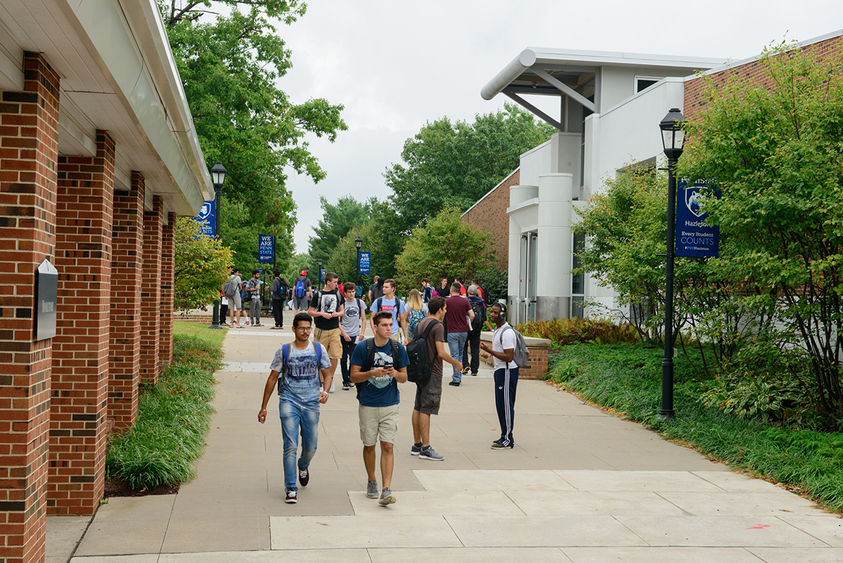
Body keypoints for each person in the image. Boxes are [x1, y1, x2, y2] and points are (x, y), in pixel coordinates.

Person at [258, 313, 332, 504]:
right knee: (290, 445)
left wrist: (325, 391)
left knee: (311, 446)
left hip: (312, 403)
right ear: (294, 329)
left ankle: (303, 465)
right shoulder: (284, 351)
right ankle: (291, 487)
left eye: (308, 328)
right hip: (289, 401)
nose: (305, 331)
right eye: (301, 328)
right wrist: (264, 407)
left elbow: (327, 373)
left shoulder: (318, 349)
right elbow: (272, 378)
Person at [350, 311, 409, 506]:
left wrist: (394, 374)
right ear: (374, 327)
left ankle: (386, 488)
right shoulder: (362, 348)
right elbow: (353, 376)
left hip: (390, 403)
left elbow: (404, 377)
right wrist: (371, 373)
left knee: (388, 445)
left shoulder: (398, 348)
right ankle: (371, 480)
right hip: (368, 404)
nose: (389, 328)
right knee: (369, 445)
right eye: (384, 325)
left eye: (390, 325)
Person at [410, 297, 461, 461]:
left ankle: (416, 444)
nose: (446, 311)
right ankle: (426, 447)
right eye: (445, 308)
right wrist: (456, 363)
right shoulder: (438, 326)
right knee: (427, 409)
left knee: (418, 406)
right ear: (440, 309)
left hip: (421, 370)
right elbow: (441, 352)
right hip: (433, 371)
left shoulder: (421, 323)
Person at [479, 303, 518, 449]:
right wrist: (489, 354)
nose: (492, 315)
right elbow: (501, 353)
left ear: (502, 314)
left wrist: (490, 350)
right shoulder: (498, 330)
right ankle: (504, 435)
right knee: (500, 405)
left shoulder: (507, 333)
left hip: (507, 372)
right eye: (491, 312)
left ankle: (507, 438)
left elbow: (509, 357)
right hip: (500, 371)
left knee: (506, 405)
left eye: (495, 313)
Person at [308, 272, 345, 393]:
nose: (336, 284)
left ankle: (330, 378)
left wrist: (337, 314)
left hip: (334, 328)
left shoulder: (338, 294)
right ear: (328, 282)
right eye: (334, 282)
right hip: (321, 329)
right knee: (319, 356)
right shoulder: (318, 294)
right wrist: (321, 314)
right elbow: (310, 311)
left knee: (335, 355)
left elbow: (342, 311)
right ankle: (321, 379)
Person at [444, 282, 474, 386]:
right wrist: (468, 322)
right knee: (460, 354)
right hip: (463, 331)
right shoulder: (465, 301)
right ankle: (459, 376)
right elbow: (472, 315)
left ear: (451, 290)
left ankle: (456, 378)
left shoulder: (447, 301)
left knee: (454, 355)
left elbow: (442, 313)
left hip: (452, 331)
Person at [339, 282, 367, 391]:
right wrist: (344, 333)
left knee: (353, 358)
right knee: (343, 358)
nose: (352, 294)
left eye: (353, 291)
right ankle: (345, 380)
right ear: (345, 293)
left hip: (355, 334)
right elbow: (338, 322)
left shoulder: (360, 303)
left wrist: (362, 332)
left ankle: (351, 378)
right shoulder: (342, 304)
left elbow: (364, 319)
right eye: (349, 292)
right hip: (344, 333)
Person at [463, 285, 490, 377]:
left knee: (464, 347)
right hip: (476, 328)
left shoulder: (465, 301)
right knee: (475, 348)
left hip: (466, 327)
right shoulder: (481, 302)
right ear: (476, 292)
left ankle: (465, 365)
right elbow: (484, 316)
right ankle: (474, 369)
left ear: (468, 292)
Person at [369, 279, 408, 343]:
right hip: (381, 333)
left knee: (393, 352)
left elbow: (403, 320)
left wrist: (405, 337)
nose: (384, 289)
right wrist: (375, 332)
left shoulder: (398, 302)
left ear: (393, 288)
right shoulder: (378, 301)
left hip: (393, 333)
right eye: (383, 287)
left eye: (386, 287)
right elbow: (371, 318)